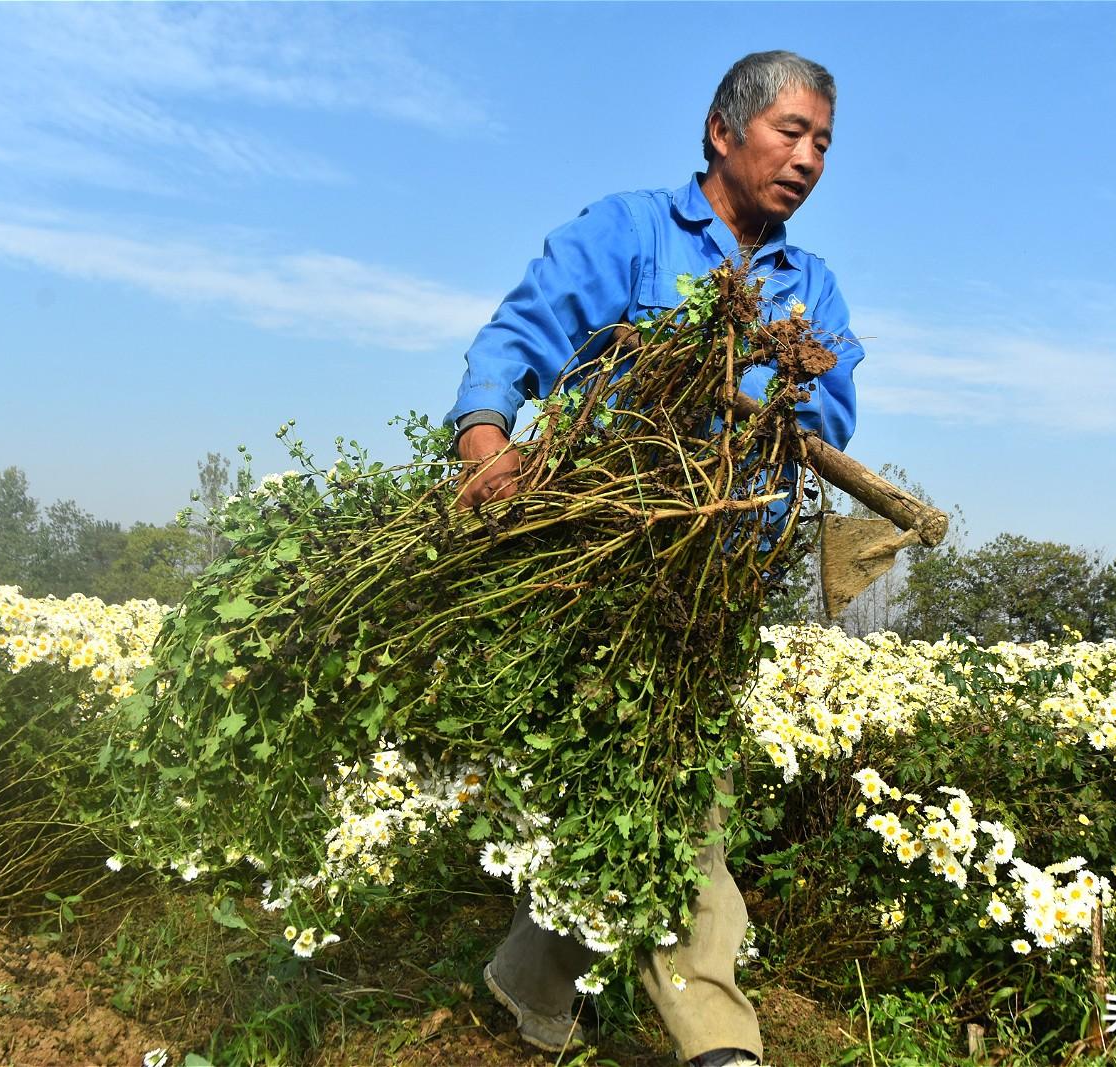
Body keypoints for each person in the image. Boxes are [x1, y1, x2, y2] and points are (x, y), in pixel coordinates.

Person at [443, 51, 863, 1067]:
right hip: (602, 570)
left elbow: (831, 416)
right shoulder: (628, 233)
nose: (806, 158)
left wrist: (768, 389)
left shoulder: (811, 290)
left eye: (822, 144)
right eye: (789, 132)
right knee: (682, 801)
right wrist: (485, 439)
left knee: (626, 787)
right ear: (723, 132)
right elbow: (521, 332)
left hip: (716, 588)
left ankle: (531, 978)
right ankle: (719, 1040)